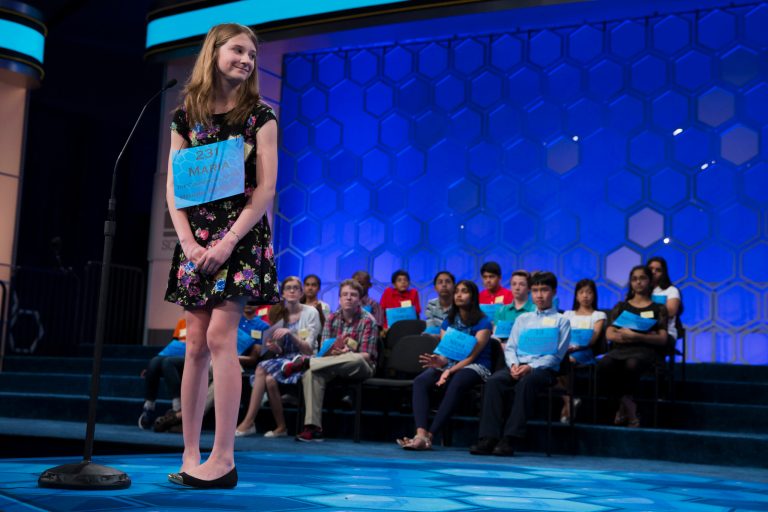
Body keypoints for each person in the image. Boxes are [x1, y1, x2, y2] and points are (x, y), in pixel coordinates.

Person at [164, 23, 279, 489]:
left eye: (252, 54)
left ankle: (224, 457)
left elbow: (266, 188)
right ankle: (190, 454)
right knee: (193, 345)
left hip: (240, 237)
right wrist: (190, 243)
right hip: (197, 238)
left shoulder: (261, 115)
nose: (247, 59)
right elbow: (174, 188)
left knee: (219, 337)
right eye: (238, 50)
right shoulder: (184, 116)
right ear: (214, 51)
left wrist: (228, 240)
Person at [470, 271, 570, 456]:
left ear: (554, 292)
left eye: (544, 290)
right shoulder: (523, 319)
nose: (539, 295)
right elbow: (511, 347)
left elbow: (556, 356)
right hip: (517, 365)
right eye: (535, 290)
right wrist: (514, 365)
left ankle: (510, 438)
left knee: (528, 382)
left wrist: (530, 367)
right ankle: (488, 437)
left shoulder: (562, 321)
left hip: (543, 370)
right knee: (494, 381)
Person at [397, 280, 491, 450]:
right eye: (457, 292)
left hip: (475, 365)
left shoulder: (483, 322)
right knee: (421, 380)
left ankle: (430, 437)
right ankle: (420, 433)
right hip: (451, 363)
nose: (459, 295)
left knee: (458, 380)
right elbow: (446, 353)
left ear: (473, 296)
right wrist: (439, 361)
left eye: (464, 291)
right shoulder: (448, 322)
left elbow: (471, 356)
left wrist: (449, 371)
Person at [235, 276, 320, 437]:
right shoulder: (280, 313)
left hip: (303, 359)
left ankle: (248, 422)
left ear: (301, 293)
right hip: (285, 358)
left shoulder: (311, 312)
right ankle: (281, 427)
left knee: (261, 367)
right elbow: (281, 349)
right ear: (283, 294)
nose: (292, 290)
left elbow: (309, 349)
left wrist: (291, 334)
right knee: (269, 380)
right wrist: (275, 347)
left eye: (296, 288)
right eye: (288, 288)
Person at [295, 279, 378, 442]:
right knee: (311, 374)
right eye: (345, 295)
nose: (349, 298)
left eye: (353, 295)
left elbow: (367, 355)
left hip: (359, 366)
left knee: (354, 358)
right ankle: (313, 428)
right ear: (339, 299)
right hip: (331, 363)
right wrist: (336, 354)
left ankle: (306, 362)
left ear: (359, 299)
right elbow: (324, 352)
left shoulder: (368, 320)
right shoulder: (332, 318)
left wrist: (347, 354)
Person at [599, 265, 668, 428]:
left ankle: (625, 407)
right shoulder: (621, 307)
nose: (638, 282)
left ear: (650, 281)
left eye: (642, 278)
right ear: (630, 283)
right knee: (604, 364)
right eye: (634, 279)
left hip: (645, 351)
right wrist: (627, 337)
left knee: (632, 364)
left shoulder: (658, 308)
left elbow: (663, 338)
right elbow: (609, 334)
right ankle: (629, 405)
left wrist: (636, 336)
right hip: (620, 349)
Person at [558, 278, 605, 423]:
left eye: (589, 292)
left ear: (594, 295)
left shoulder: (598, 315)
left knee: (567, 360)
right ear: (576, 295)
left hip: (585, 351)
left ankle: (568, 403)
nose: (585, 296)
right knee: (553, 360)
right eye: (582, 292)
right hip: (566, 350)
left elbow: (594, 338)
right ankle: (569, 400)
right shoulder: (567, 314)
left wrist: (578, 346)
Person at [138, 317, 186, 431]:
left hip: (193, 356)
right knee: (154, 361)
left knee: (168, 362)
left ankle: (177, 407)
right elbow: (173, 343)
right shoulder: (182, 322)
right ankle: (149, 407)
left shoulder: (206, 319)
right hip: (177, 354)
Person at [647, 256, 682, 346]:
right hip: (640, 331)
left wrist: (644, 313)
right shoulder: (639, 290)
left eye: (658, 270)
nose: (653, 272)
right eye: (650, 269)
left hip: (665, 332)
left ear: (663, 273)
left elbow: (670, 312)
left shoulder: (671, 290)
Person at [493, 270, 536, 339]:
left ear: (529, 288)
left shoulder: (535, 310)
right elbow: (496, 336)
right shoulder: (501, 310)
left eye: (521, 284)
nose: (517, 288)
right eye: (514, 284)